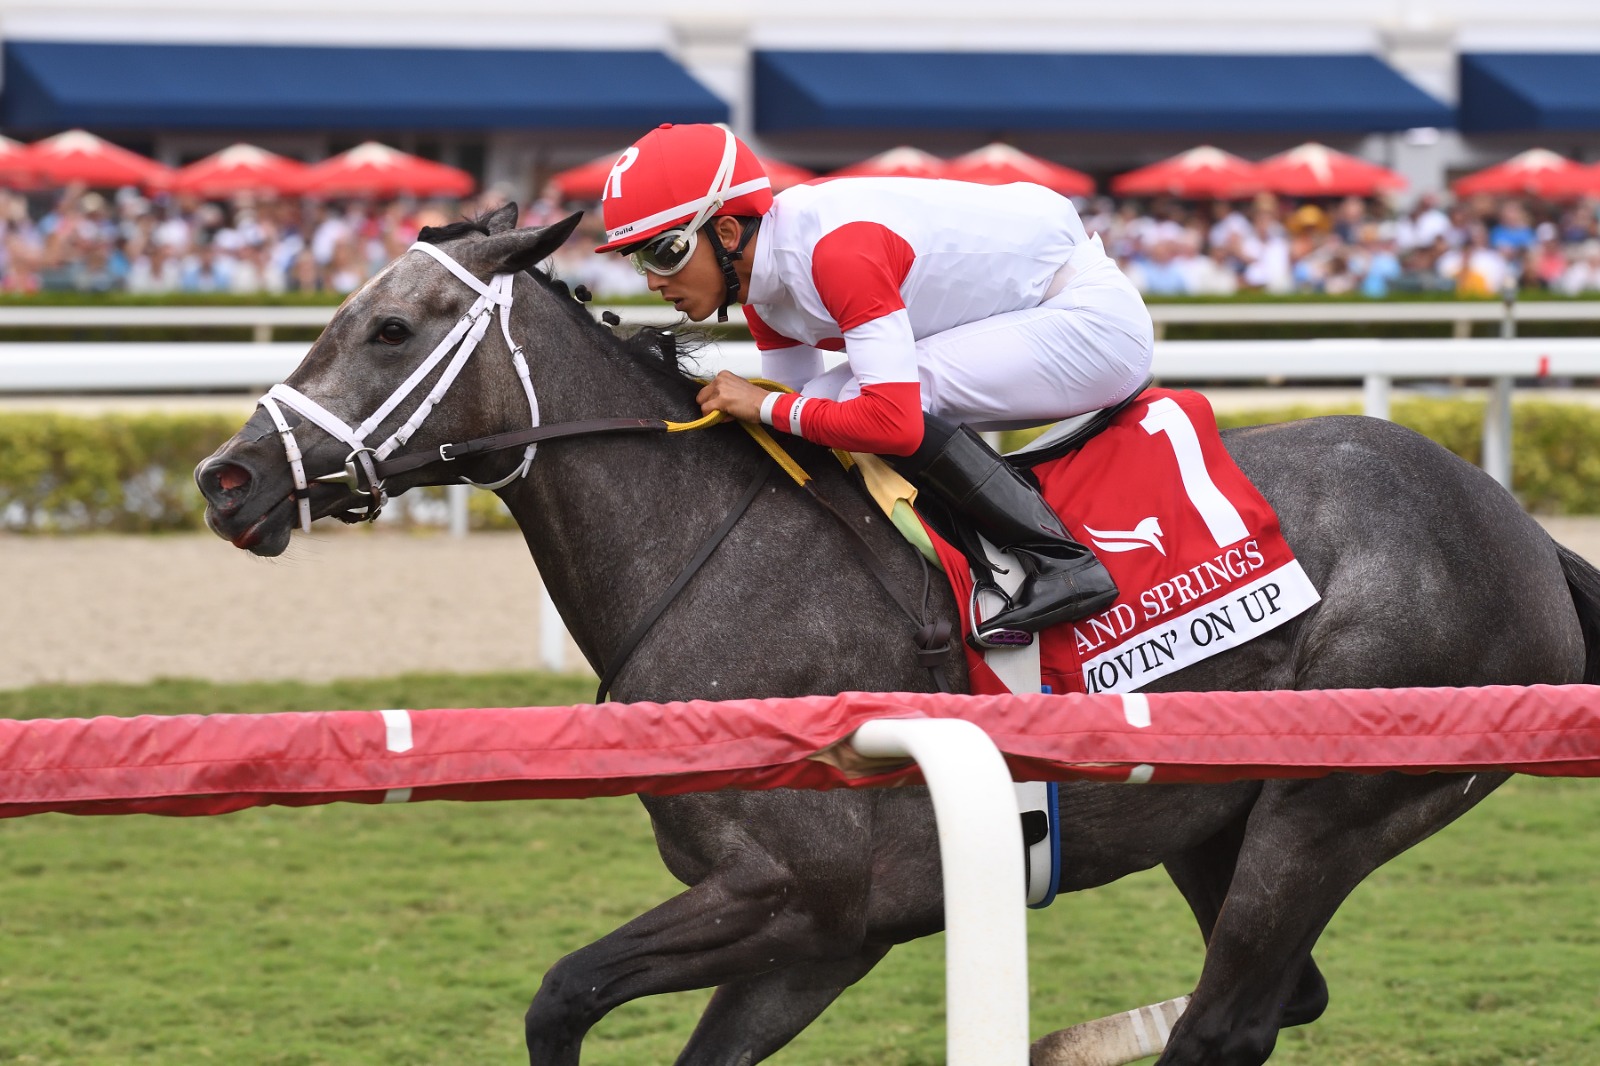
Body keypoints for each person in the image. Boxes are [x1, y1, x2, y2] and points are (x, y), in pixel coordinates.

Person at [594, 123, 1154, 642]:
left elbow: (893, 422)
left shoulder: (837, 254)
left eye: (663, 253)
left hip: (1093, 324)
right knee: (819, 405)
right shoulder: (761, 280)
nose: (651, 281)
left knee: (887, 398)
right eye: (636, 259)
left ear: (727, 230)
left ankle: (1062, 561)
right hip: (1023, 310)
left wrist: (762, 405)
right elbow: (796, 413)